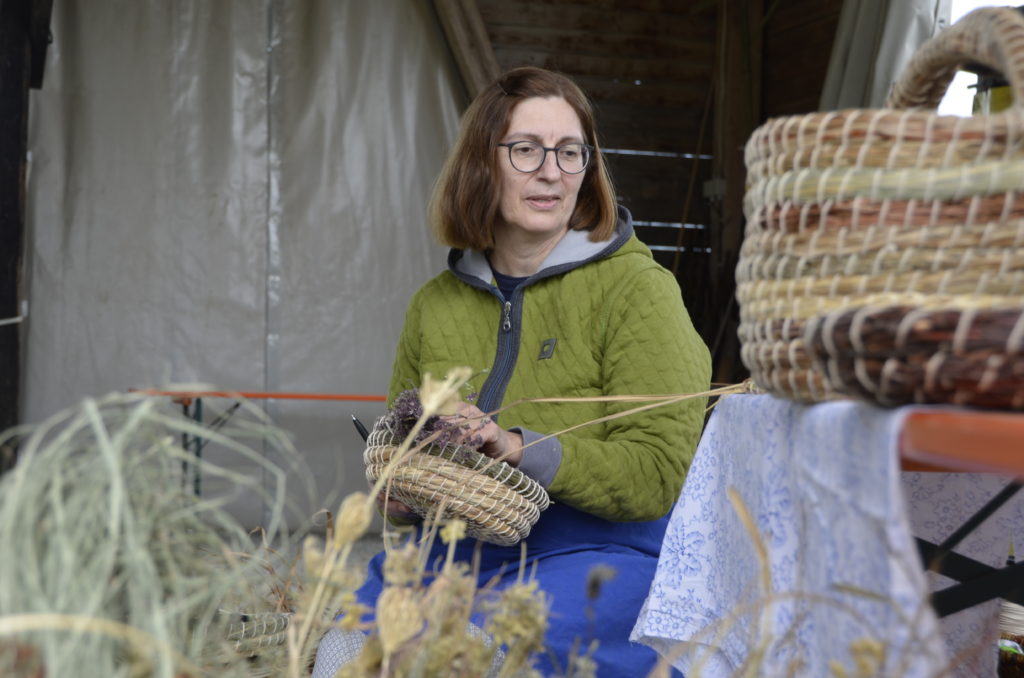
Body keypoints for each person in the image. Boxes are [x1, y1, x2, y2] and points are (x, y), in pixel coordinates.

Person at [313, 66, 711, 677]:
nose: (551, 171)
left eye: (570, 152)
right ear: (482, 162)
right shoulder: (435, 305)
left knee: (469, 653)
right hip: (449, 557)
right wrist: (399, 492)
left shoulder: (639, 291)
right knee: (344, 653)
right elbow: (405, 445)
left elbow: (658, 472)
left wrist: (518, 449)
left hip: (594, 554)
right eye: (526, 150)